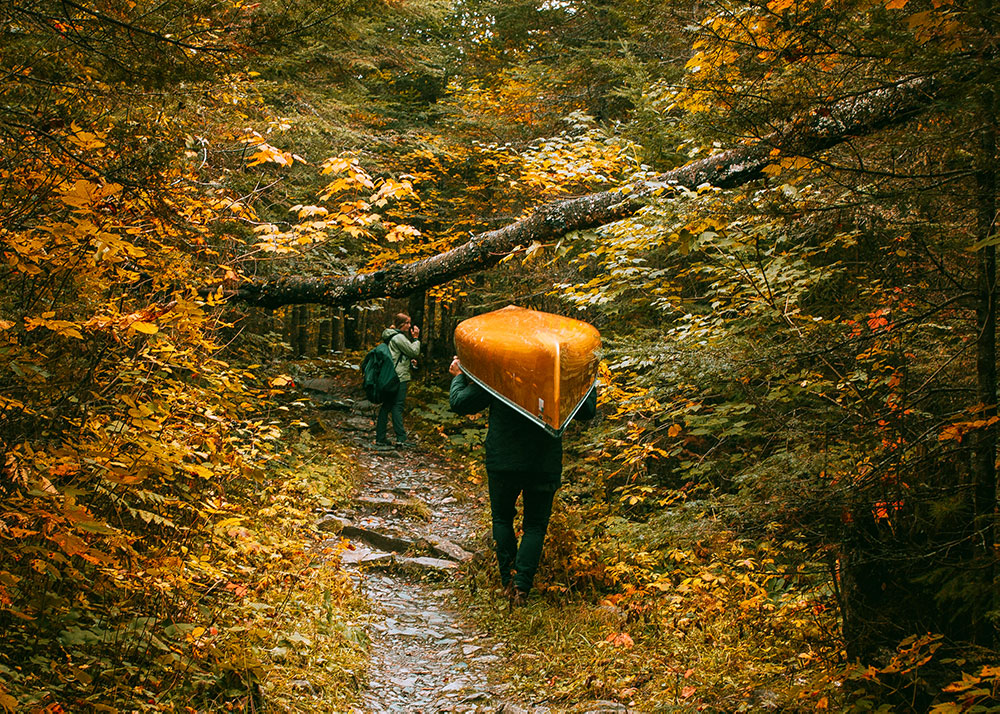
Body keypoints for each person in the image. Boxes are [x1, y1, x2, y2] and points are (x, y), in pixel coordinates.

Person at [449, 356, 597, 604]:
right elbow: (587, 411)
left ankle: (508, 581)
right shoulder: (556, 377)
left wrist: (459, 377)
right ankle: (521, 587)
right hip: (543, 461)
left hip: (503, 459)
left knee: (502, 518)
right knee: (535, 526)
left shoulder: (503, 372)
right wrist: (588, 381)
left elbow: (460, 403)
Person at [375, 313, 420, 448]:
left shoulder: (390, 336)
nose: (410, 326)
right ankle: (401, 438)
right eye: (407, 323)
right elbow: (414, 351)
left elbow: (397, 355)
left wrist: (408, 360)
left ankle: (380, 437)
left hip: (390, 376)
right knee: (397, 406)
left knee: (387, 406)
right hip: (399, 377)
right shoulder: (399, 337)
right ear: (401, 324)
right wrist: (416, 339)